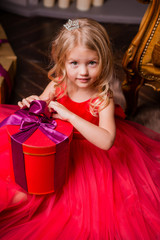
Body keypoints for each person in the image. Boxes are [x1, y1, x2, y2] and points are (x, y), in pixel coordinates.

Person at [0, 18, 160, 240]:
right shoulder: (58, 84)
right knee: (19, 182)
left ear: (103, 60)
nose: (83, 72)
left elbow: (106, 141)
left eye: (92, 63)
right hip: (58, 144)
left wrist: (70, 116)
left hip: (91, 152)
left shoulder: (103, 98)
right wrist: (34, 102)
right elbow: (43, 105)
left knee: (81, 211)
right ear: (62, 61)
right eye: (74, 63)